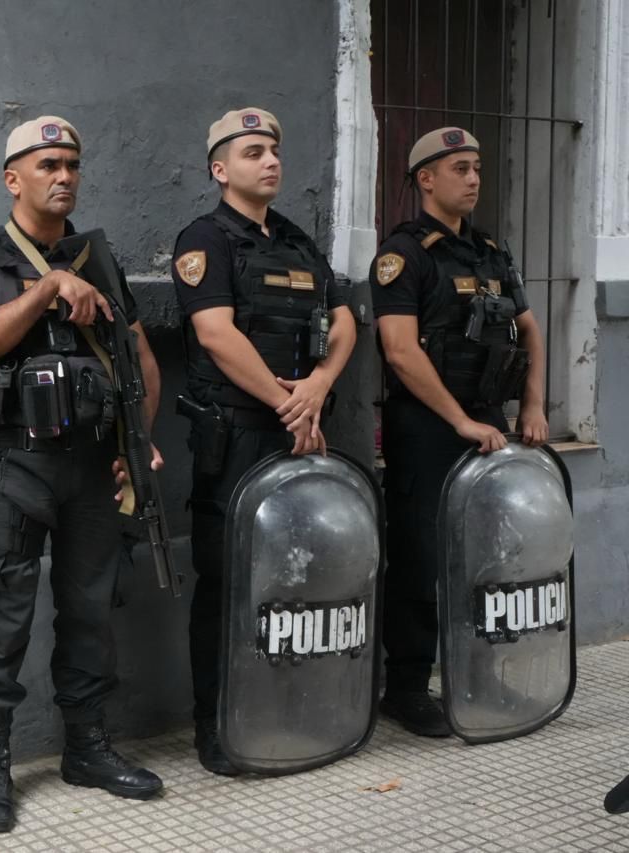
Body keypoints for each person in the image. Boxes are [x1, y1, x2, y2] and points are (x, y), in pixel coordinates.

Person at [0, 116, 165, 833]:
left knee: (91, 609)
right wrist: (46, 290)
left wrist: (136, 442)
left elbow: (141, 362)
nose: (64, 176)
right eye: (48, 165)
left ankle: (87, 748)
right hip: (18, 467)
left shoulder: (99, 258)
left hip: (94, 466)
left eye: (72, 164)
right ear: (14, 179)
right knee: (3, 616)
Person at [170, 107, 357, 775]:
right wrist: (289, 404)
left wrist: (320, 384)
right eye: (253, 153)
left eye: (274, 150)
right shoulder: (205, 239)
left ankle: (284, 708)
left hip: (298, 434)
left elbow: (344, 320)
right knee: (228, 582)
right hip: (239, 438)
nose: (271, 161)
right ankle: (217, 725)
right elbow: (216, 334)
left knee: (295, 577)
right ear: (220, 170)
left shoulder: (298, 241)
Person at [370, 127, 547, 737]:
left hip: (486, 423)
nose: (473, 179)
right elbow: (399, 350)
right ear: (426, 179)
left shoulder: (490, 251)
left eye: (476, 167)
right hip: (427, 427)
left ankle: (479, 673)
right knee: (420, 558)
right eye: (460, 169)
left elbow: (529, 328)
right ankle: (407, 688)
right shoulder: (404, 254)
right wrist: (458, 420)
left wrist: (532, 404)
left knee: (486, 558)